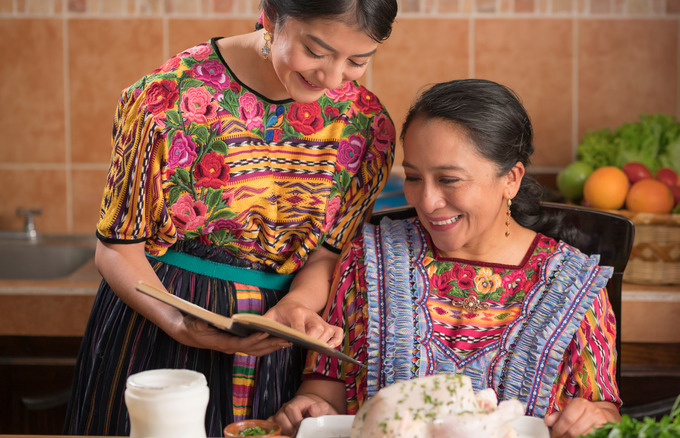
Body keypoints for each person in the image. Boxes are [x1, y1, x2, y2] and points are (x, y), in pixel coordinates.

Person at [63, 0, 398, 436]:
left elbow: (325, 256)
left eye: (357, 60)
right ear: (273, 17)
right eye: (316, 52)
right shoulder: (168, 98)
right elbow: (115, 250)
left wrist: (296, 308)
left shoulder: (366, 125)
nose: (332, 78)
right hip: (160, 327)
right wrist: (179, 324)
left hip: (275, 348)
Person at [272, 79, 622, 438]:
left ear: (511, 179)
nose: (426, 201)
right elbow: (323, 396)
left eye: (449, 180)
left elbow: (602, 412)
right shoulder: (366, 260)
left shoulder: (577, 286)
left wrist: (596, 419)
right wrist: (309, 410)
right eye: (412, 177)